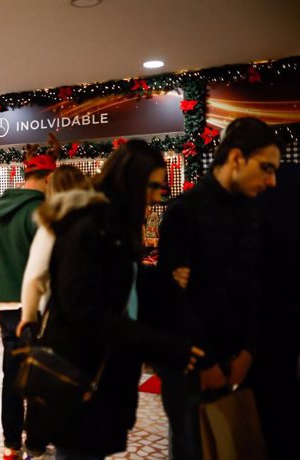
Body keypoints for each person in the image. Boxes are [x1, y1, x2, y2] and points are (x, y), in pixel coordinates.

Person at [42, 140, 203, 460]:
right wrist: (159, 344)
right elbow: (84, 309)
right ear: (131, 179)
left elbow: (116, 285)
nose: (158, 195)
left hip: (103, 377)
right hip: (81, 377)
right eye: (153, 185)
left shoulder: (113, 226)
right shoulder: (89, 225)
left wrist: (159, 281)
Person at [157, 117, 281, 459]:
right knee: (192, 448)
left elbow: (253, 284)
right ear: (237, 158)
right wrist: (206, 362)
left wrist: (248, 350)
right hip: (190, 368)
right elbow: (175, 299)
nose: (272, 181)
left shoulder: (250, 213)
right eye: (266, 168)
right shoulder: (185, 211)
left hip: (234, 360)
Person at [0, 143, 56, 460]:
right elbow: (45, 265)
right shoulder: (41, 211)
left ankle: (11, 443)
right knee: (42, 376)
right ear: (47, 178)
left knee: (12, 376)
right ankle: (37, 442)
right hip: (35, 307)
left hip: (5, 305)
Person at [247, 161, 300, 459]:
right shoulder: (289, 180)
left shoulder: (260, 192)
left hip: (267, 314)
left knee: (271, 397)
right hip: (282, 308)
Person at [16, 164, 91, 337]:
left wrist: (28, 317)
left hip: (63, 313)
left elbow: (35, 277)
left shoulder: (53, 224)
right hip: (99, 314)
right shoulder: (99, 218)